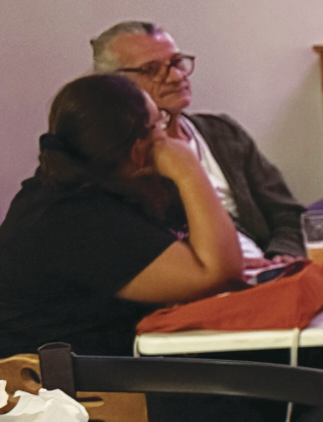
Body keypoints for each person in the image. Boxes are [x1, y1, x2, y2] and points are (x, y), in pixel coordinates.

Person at [0, 74, 242, 356]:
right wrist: (188, 169)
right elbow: (218, 275)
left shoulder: (96, 187)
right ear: (138, 150)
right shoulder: (75, 216)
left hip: (103, 367)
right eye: (158, 123)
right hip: (61, 381)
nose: (167, 133)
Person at [91, 21, 305, 265]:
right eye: (151, 69)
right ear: (113, 84)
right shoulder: (122, 160)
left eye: (176, 62)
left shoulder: (223, 132)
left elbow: (287, 213)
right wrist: (224, 268)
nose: (176, 76)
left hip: (270, 270)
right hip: (201, 278)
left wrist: (281, 255)